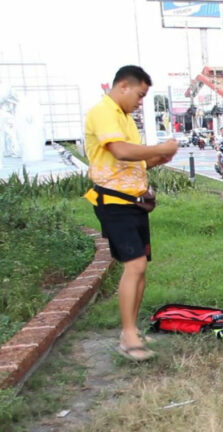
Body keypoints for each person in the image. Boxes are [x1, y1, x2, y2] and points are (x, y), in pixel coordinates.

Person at [83, 65, 179, 362]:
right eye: (140, 95)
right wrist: (157, 147)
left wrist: (157, 158)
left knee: (140, 269)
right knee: (134, 265)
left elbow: (130, 163)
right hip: (114, 203)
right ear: (123, 86)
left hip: (134, 203)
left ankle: (132, 330)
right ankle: (127, 336)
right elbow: (122, 152)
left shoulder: (124, 118)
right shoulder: (104, 112)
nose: (140, 102)